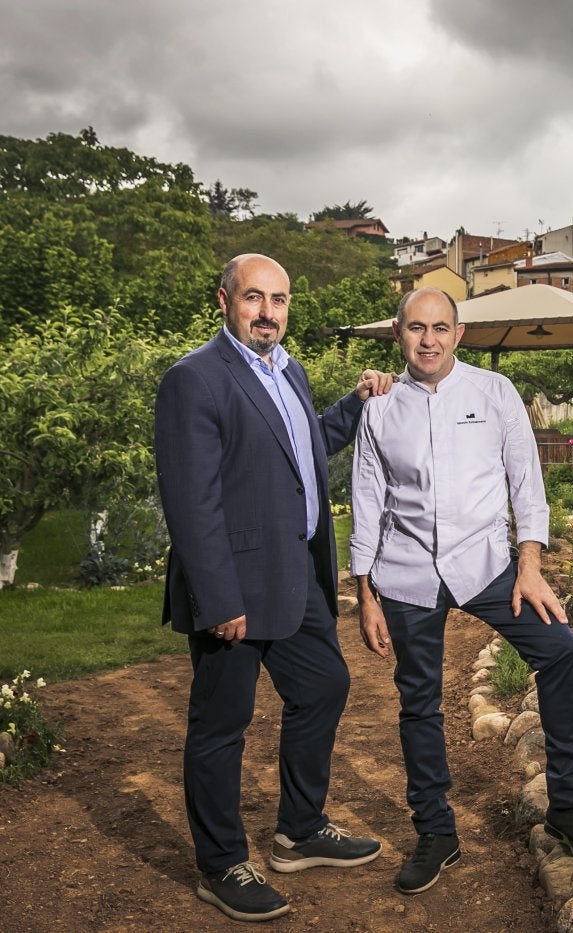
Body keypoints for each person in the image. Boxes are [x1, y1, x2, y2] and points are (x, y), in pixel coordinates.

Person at [351, 287, 573, 896]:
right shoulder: (380, 409)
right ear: (399, 334)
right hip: (407, 573)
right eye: (417, 328)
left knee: (559, 650)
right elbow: (367, 503)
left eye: (440, 328)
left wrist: (530, 565)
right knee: (419, 700)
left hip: (489, 564)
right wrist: (365, 592)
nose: (429, 340)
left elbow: (526, 480)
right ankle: (436, 832)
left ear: (458, 333)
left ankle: (569, 805)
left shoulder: (495, 394)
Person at [155, 254, 392, 923]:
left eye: (280, 299)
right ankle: (221, 861)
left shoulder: (289, 370)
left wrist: (355, 404)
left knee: (324, 685)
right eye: (255, 297)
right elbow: (190, 501)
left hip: (296, 576)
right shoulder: (194, 379)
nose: (269, 311)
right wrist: (217, 595)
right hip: (234, 589)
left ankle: (299, 829)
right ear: (225, 300)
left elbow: (299, 449)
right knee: (221, 726)